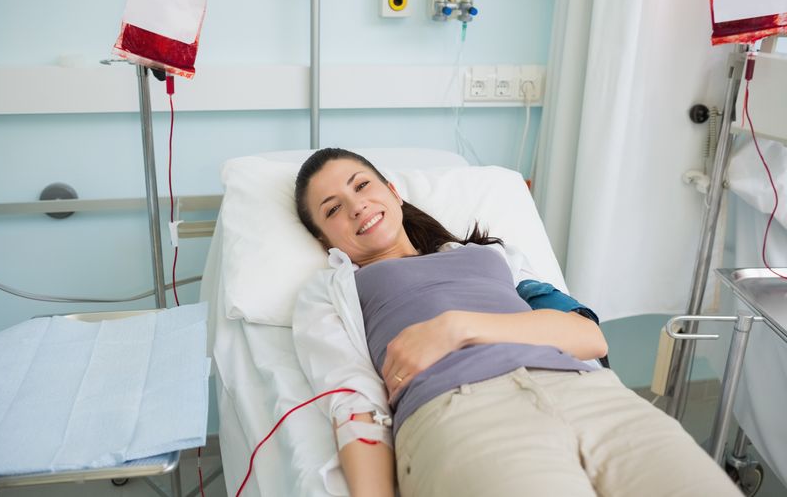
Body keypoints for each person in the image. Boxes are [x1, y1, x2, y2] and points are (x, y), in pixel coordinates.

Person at [291, 148, 741, 497]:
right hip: (463, 415)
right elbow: (353, 400)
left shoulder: (494, 257)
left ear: (392, 190)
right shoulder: (334, 290)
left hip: (590, 394)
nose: (356, 206)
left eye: (362, 185)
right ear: (321, 238)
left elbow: (588, 337)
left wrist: (457, 327)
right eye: (332, 209)